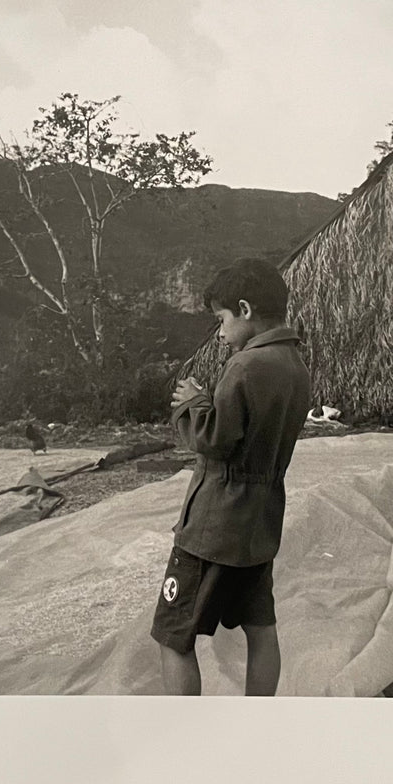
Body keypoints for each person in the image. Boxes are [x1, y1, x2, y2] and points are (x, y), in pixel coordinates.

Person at [153, 258, 312, 695]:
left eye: (221, 320)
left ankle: (188, 742)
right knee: (260, 627)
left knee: (173, 635)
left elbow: (216, 442)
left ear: (244, 309)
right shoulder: (296, 367)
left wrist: (193, 403)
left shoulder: (244, 366)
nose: (220, 333)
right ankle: (255, 726)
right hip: (259, 525)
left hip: (214, 526)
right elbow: (252, 434)